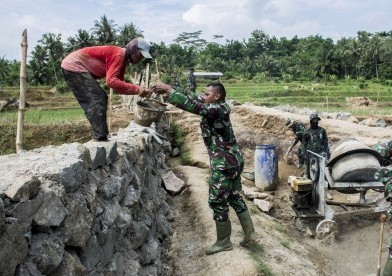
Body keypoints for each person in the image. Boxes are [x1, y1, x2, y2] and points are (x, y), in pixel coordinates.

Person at [152, 81, 258, 255]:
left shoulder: (217, 109)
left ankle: (224, 242)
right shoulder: (216, 105)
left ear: (217, 96)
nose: (203, 96)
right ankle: (250, 233)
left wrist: (170, 91)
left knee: (217, 200)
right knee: (232, 195)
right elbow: (196, 99)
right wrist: (174, 90)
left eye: (207, 94)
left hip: (224, 162)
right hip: (232, 161)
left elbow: (196, 107)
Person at [61, 37, 153, 141]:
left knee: (100, 97)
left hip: (74, 66)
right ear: (133, 49)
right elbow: (111, 82)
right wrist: (137, 89)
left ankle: (100, 136)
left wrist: (139, 91)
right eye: (140, 54)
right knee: (98, 98)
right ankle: (100, 138)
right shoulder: (119, 54)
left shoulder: (122, 60)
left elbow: (119, 88)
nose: (139, 59)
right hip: (73, 66)